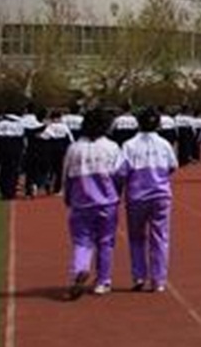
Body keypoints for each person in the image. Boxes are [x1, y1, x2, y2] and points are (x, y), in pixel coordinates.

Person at [62, 110, 125, 298]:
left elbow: (66, 175)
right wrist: (117, 194)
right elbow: (119, 174)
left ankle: (80, 269)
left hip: (80, 201)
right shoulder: (112, 147)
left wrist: (68, 197)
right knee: (105, 242)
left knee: (82, 241)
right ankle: (103, 282)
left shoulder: (74, 148)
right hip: (106, 202)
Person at [121, 108, 179, 292]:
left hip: (137, 196)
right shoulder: (164, 144)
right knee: (160, 237)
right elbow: (172, 166)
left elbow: (121, 171)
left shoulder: (129, 145)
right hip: (160, 195)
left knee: (136, 237)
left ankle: (139, 276)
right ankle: (158, 280)